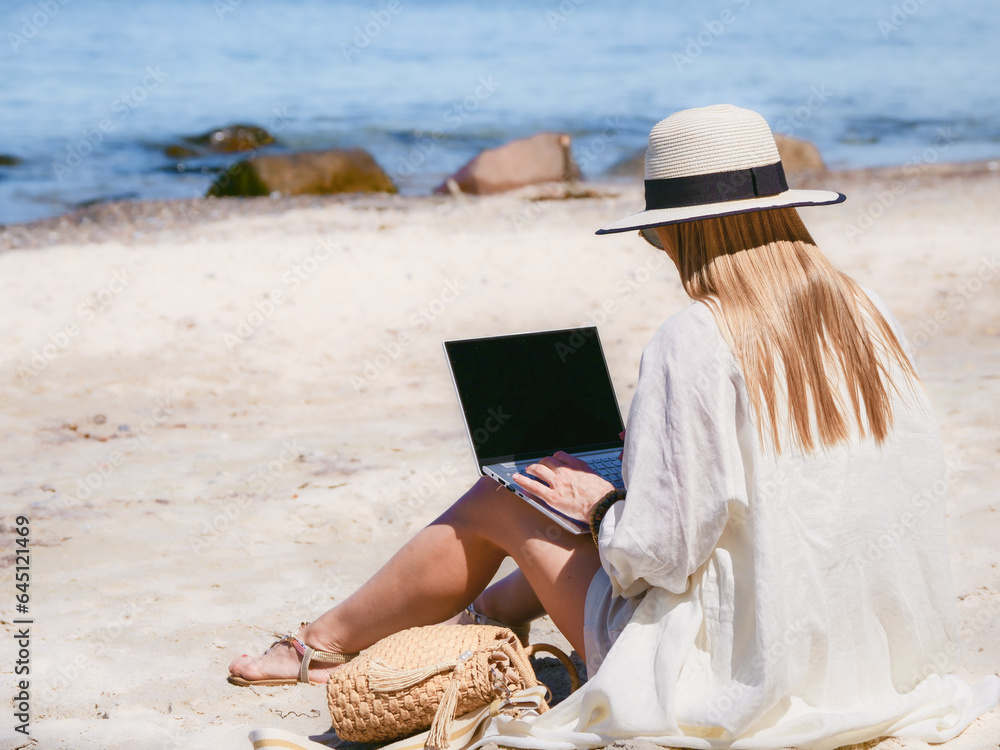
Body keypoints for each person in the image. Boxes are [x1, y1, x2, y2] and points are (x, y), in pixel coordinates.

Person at [229, 105, 1000, 746]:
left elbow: (657, 558)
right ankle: (472, 612)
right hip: (876, 651)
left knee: (511, 494)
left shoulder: (696, 336)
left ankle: (320, 646)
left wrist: (600, 508)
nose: (654, 244)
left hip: (744, 672)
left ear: (681, 230)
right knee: (572, 497)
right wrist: (652, 469)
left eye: (655, 230)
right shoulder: (870, 316)